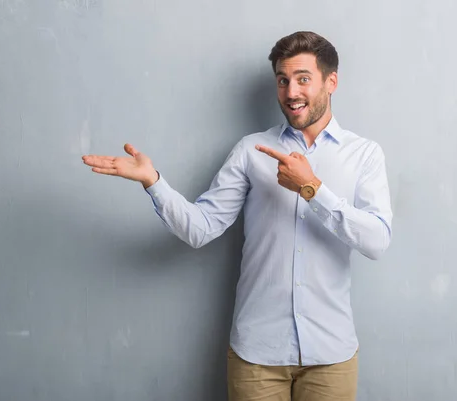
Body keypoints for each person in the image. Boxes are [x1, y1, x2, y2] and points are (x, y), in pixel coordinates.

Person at [82, 31, 393, 401]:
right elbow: (201, 228)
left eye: (303, 79)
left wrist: (312, 189)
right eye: (283, 80)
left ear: (331, 81)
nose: (291, 91)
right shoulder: (250, 151)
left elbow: (376, 241)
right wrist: (153, 181)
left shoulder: (364, 155)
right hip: (257, 357)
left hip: (332, 356)